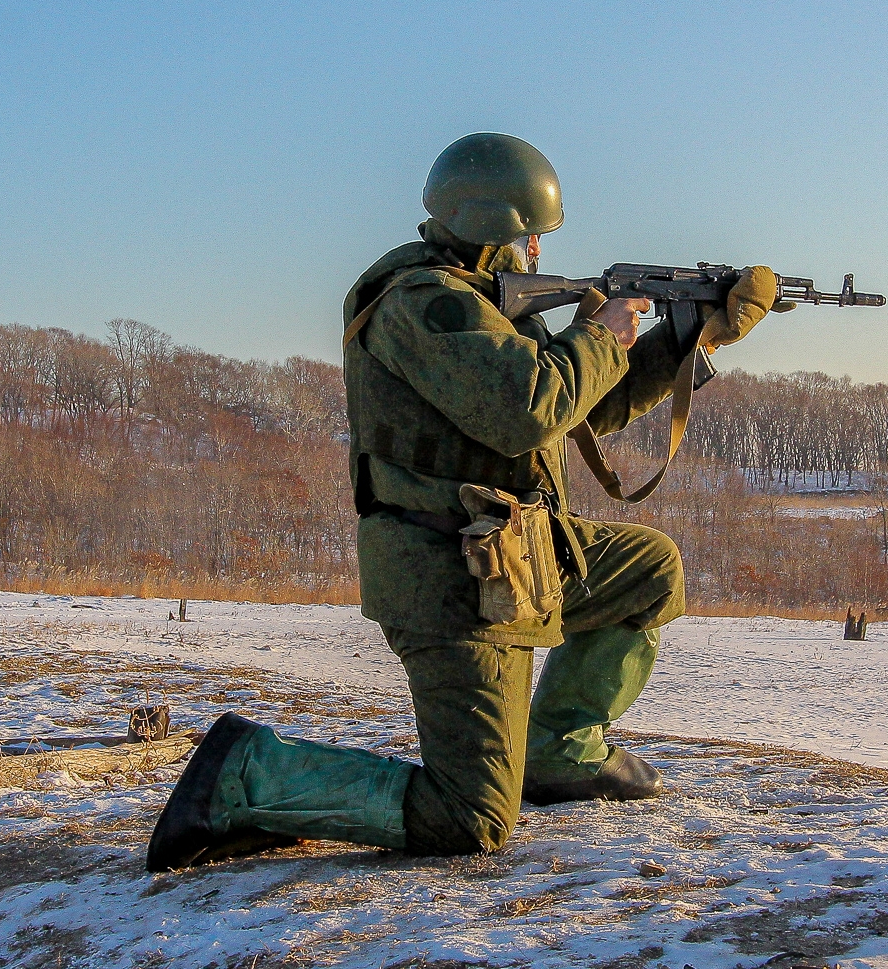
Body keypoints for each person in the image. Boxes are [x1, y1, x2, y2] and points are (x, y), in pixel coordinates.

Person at [146, 133, 781, 868]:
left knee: (649, 566)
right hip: (451, 578)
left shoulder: (491, 304)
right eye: (529, 231)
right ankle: (247, 772)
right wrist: (599, 335)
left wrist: (690, 343)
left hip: (518, 556)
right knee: (473, 815)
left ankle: (560, 750)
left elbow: (579, 410)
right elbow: (528, 407)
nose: (539, 245)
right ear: (492, 223)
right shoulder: (423, 305)